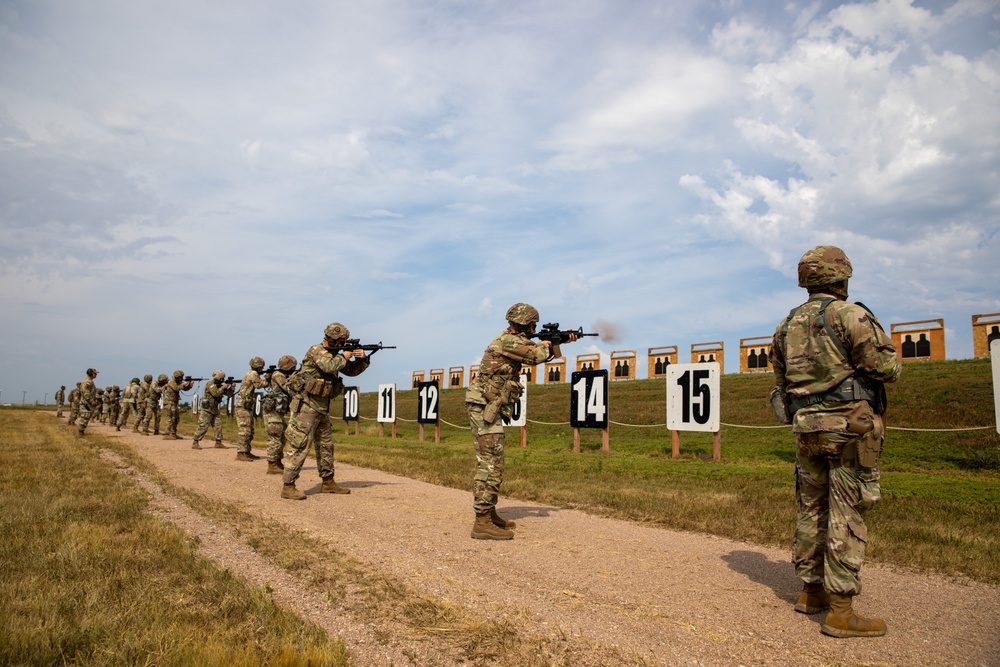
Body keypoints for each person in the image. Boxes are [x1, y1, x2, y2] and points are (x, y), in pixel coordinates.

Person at [770, 245, 901, 638]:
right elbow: (886, 368)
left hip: (806, 425)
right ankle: (841, 611)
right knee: (849, 508)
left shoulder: (786, 325)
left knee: (812, 505)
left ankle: (811, 592)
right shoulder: (851, 314)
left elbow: (780, 385)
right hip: (849, 425)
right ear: (842, 278)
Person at [465, 303, 578, 539]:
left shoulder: (513, 340)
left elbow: (534, 351)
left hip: (487, 405)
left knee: (493, 460)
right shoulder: (508, 341)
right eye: (533, 325)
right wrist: (555, 342)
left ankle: (489, 512)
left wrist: (560, 339)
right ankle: (482, 521)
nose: (535, 328)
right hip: (483, 406)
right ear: (526, 324)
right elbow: (535, 356)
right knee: (490, 463)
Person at [281, 323, 371, 500]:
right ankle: (288, 485)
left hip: (322, 407)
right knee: (299, 444)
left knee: (326, 445)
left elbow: (351, 371)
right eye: (341, 342)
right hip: (306, 406)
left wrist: (362, 359)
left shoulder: (336, 355)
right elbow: (329, 366)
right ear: (333, 339)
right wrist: (346, 355)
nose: (343, 345)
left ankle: (328, 482)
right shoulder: (317, 350)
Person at [263, 355, 297, 475]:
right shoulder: (278, 375)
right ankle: (272, 464)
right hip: (273, 413)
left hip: (278, 412)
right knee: (274, 438)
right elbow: (288, 388)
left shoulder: (279, 374)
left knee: (281, 438)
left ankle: (277, 462)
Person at [235, 357, 270, 461]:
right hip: (243, 405)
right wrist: (267, 377)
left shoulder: (252, 373)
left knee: (249, 430)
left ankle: (246, 451)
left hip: (246, 405)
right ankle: (241, 452)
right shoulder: (253, 374)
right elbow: (259, 385)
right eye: (261, 366)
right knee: (244, 430)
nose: (262, 368)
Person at [191, 371, 236, 449]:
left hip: (215, 408)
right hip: (207, 409)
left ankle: (218, 442)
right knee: (203, 425)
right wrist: (224, 387)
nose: (222, 380)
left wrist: (232, 388)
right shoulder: (210, 384)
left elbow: (228, 394)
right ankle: (195, 442)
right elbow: (215, 393)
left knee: (218, 426)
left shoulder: (219, 385)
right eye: (221, 378)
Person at [162, 370, 195, 440]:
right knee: (171, 418)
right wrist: (183, 384)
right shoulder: (171, 381)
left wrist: (189, 385)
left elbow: (184, 389)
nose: (181, 378)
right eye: (180, 377)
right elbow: (176, 388)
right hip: (169, 402)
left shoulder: (177, 382)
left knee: (176, 418)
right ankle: (167, 434)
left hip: (174, 402)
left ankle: (173, 433)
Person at [77, 368, 100, 437]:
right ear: (91, 374)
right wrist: (91, 401)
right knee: (84, 418)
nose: (96, 375)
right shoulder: (87, 382)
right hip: (86, 403)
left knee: (86, 418)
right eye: (95, 373)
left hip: (88, 403)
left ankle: (81, 432)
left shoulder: (90, 382)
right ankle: (80, 433)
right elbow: (86, 393)